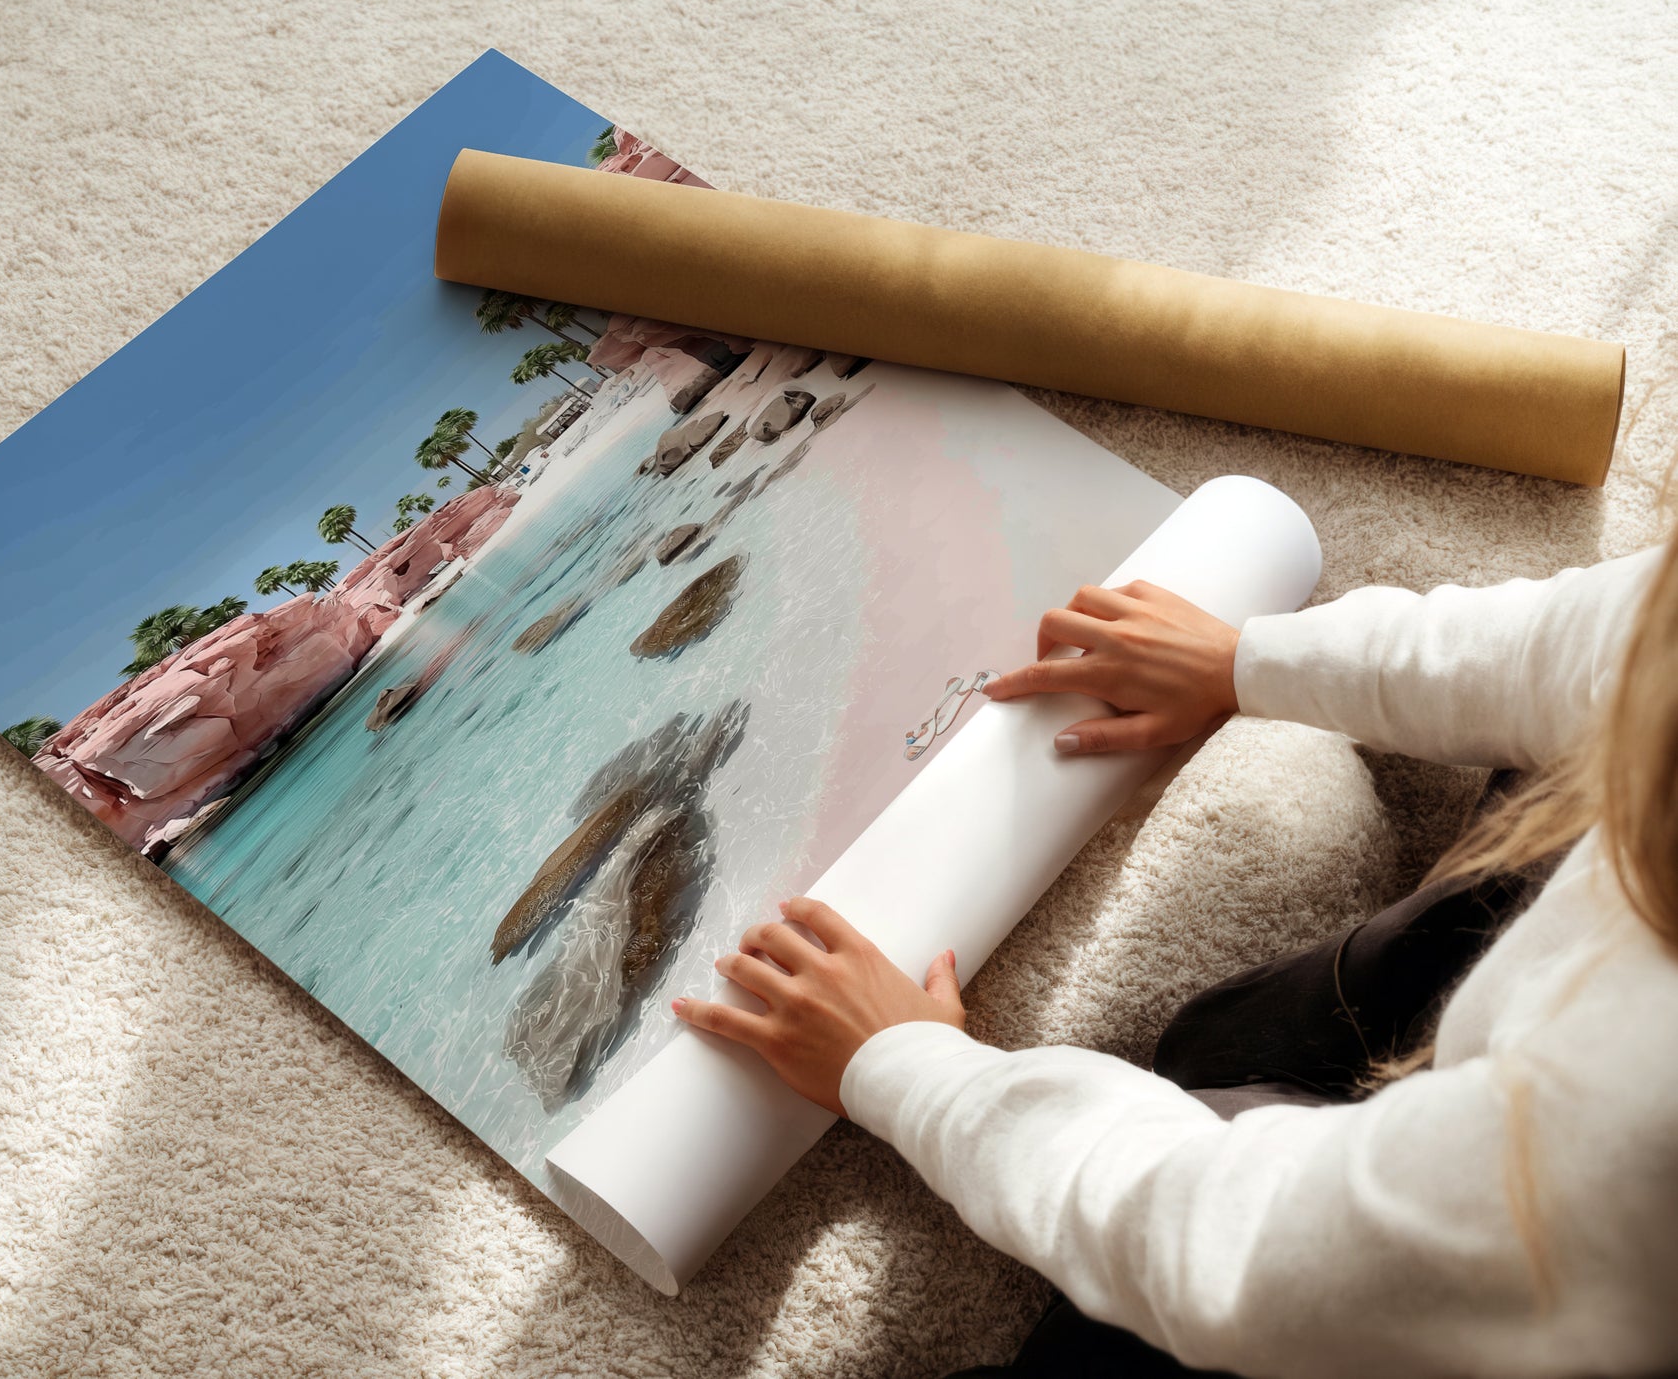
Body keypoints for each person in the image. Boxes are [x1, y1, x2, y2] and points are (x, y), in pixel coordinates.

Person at [672, 540, 1678, 1377]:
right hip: (1538, 1098)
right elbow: (1602, 637)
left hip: (1544, 1279)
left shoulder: (1628, 1127)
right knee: (1224, 1040)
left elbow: (1239, 1250)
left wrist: (908, 1069)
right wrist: (1245, 660)